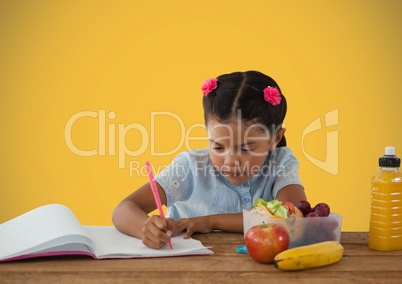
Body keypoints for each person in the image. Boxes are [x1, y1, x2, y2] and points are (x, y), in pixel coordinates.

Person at [112, 70, 307, 249]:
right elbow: (122, 210)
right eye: (218, 147)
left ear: (275, 139)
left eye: (246, 148)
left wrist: (211, 221)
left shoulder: (280, 162)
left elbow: (293, 220)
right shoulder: (190, 166)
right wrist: (145, 229)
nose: (230, 161)